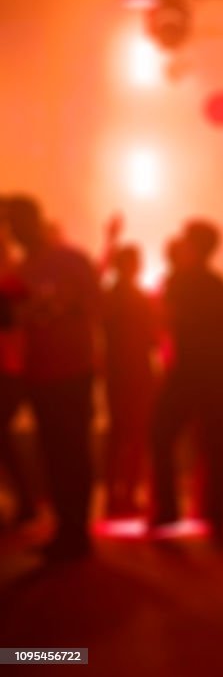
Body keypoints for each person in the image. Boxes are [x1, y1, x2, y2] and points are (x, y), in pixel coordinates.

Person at [6, 195, 100, 561]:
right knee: (54, 453)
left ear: (33, 221)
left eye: (16, 224)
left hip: (72, 371)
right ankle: (68, 529)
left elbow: (94, 305)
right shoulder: (22, 270)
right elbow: (12, 319)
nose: (13, 233)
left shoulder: (69, 260)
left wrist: (60, 310)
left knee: (72, 452)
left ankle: (77, 532)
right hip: (41, 374)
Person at [150, 219, 223, 541]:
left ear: (195, 247)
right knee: (214, 441)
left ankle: (168, 509)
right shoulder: (222, 286)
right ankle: (217, 515)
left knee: (160, 432)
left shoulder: (180, 282)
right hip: (218, 370)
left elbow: (166, 322)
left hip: (188, 369)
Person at [101, 242, 159, 518]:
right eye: (135, 261)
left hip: (123, 370)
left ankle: (118, 495)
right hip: (131, 370)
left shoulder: (117, 294)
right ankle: (122, 494)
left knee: (122, 434)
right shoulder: (130, 296)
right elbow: (151, 336)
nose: (139, 265)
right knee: (132, 434)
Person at [0, 215, 35, 529]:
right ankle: (25, 500)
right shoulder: (12, 279)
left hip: (9, 370)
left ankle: (26, 501)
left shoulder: (11, 282)